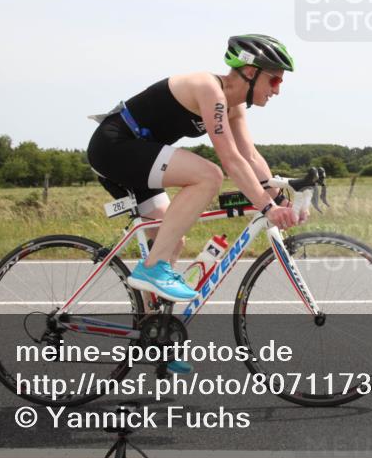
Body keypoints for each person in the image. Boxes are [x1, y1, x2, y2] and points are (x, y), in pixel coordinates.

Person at [87, 35, 303, 304]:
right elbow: (231, 160)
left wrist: (280, 199)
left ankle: (150, 331)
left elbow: (250, 156)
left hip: (140, 157)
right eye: (275, 80)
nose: (277, 90)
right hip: (114, 147)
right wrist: (268, 208)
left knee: (171, 240)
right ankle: (153, 269)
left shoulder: (234, 107)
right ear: (250, 72)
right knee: (209, 175)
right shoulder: (209, 89)